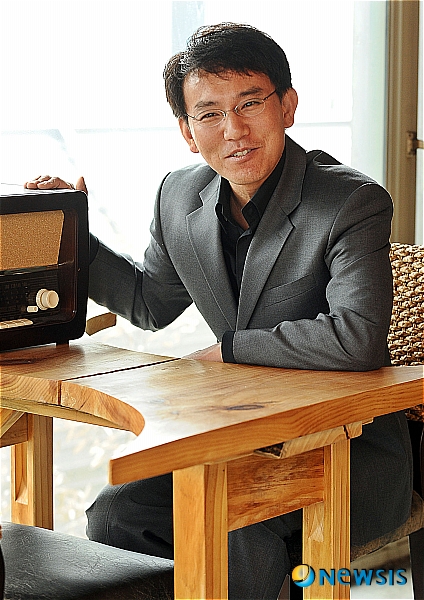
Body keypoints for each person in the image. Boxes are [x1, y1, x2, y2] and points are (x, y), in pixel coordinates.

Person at [25, 23, 413, 600]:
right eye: (209, 114)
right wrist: (71, 230)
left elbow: (356, 337)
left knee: (235, 525)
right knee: (117, 513)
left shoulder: (351, 200)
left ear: (287, 105)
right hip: (236, 437)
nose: (233, 130)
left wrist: (230, 349)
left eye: (250, 103)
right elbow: (149, 303)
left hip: (347, 450)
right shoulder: (178, 194)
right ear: (187, 131)